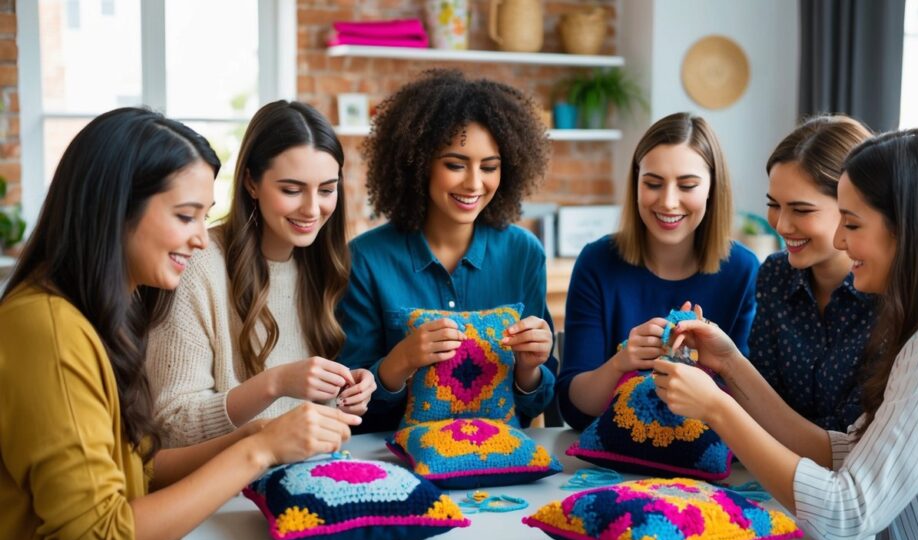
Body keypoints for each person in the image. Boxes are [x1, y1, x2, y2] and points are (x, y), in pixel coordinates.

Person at [0, 107, 360, 540]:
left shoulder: (96, 316)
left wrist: (256, 435)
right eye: (185, 216)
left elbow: (141, 468)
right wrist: (258, 450)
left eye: (203, 217)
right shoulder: (46, 329)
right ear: (117, 207)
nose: (199, 238)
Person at [654, 129, 918, 540]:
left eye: (851, 224)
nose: (842, 242)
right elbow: (844, 452)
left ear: (907, 227)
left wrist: (716, 406)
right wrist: (729, 362)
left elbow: (845, 515)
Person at [338, 69, 557, 433]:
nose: (474, 183)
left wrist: (530, 366)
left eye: (490, 167)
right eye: (455, 165)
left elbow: (537, 401)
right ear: (419, 163)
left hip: (500, 455)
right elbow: (352, 403)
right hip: (394, 457)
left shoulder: (524, 253)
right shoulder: (366, 259)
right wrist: (402, 360)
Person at [148, 100, 375, 447]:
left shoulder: (324, 265)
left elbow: (302, 415)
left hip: (304, 472)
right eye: (291, 190)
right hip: (223, 488)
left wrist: (343, 390)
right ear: (252, 183)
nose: (313, 209)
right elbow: (172, 424)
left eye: (327, 190)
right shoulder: (198, 263)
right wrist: (276, 382)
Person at [557, 112, 759, 431]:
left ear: (711, 188)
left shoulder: (743, 270)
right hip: (614, 462)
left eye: (687, 185)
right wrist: (622, 362)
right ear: (635, 183)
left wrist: (712, 365)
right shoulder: (597, 262)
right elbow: (575, 409)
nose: (668, 202)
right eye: (653, 183)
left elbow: (755, 411)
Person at [749, 115, 876, 431]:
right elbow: (759, 401)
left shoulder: (889, 294)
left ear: (853, 207)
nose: (780, 225)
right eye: (774, 205)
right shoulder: (774, 276)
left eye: (801, 210)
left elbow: (853, 436)